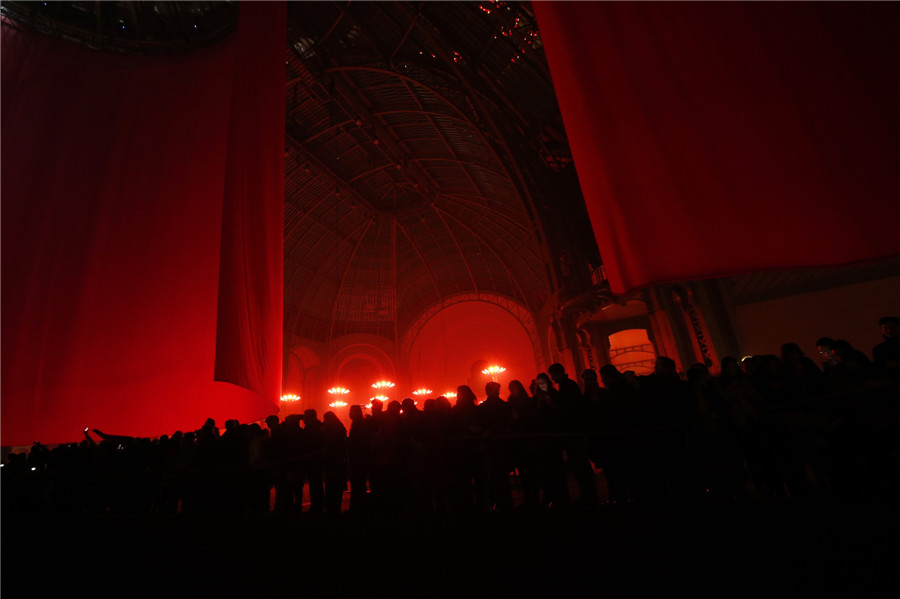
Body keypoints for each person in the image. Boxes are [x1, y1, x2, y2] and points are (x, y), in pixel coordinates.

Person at [873, 316, 900, 380]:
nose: (889, 330)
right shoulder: (879, 349)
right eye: (886, 328)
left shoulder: (879, 349)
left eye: (892, 327)